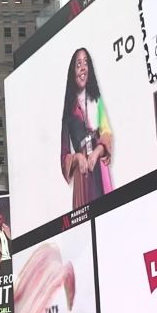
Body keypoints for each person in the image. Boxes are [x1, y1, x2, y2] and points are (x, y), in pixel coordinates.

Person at [60, 47, 113, 210]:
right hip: (82, 176)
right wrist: (77, 158)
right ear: (72, 72)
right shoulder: (68, 112)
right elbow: (63, 156)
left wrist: (97, 152)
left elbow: (107, 132)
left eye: (86, 63)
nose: (83, 67)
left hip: (99, 168)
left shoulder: (97, 100)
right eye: (78, 64)